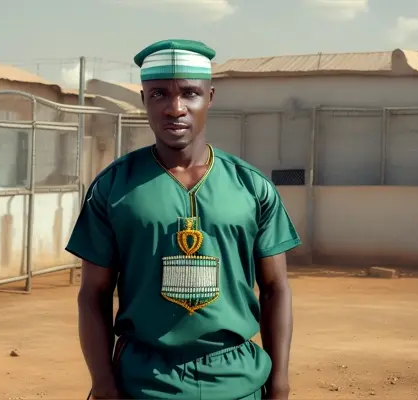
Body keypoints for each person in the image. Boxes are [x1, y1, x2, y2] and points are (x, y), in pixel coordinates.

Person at [66, 39, 300, 400]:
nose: (175, 108)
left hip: (237, 381)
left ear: (210, 97)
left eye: (189, 93)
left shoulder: (252, 187)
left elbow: (276, 289)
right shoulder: (113, 187)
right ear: (143, 100)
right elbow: (93, 294)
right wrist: (103, 383)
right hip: (144, 382)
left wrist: (280, 382)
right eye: (159, 94)